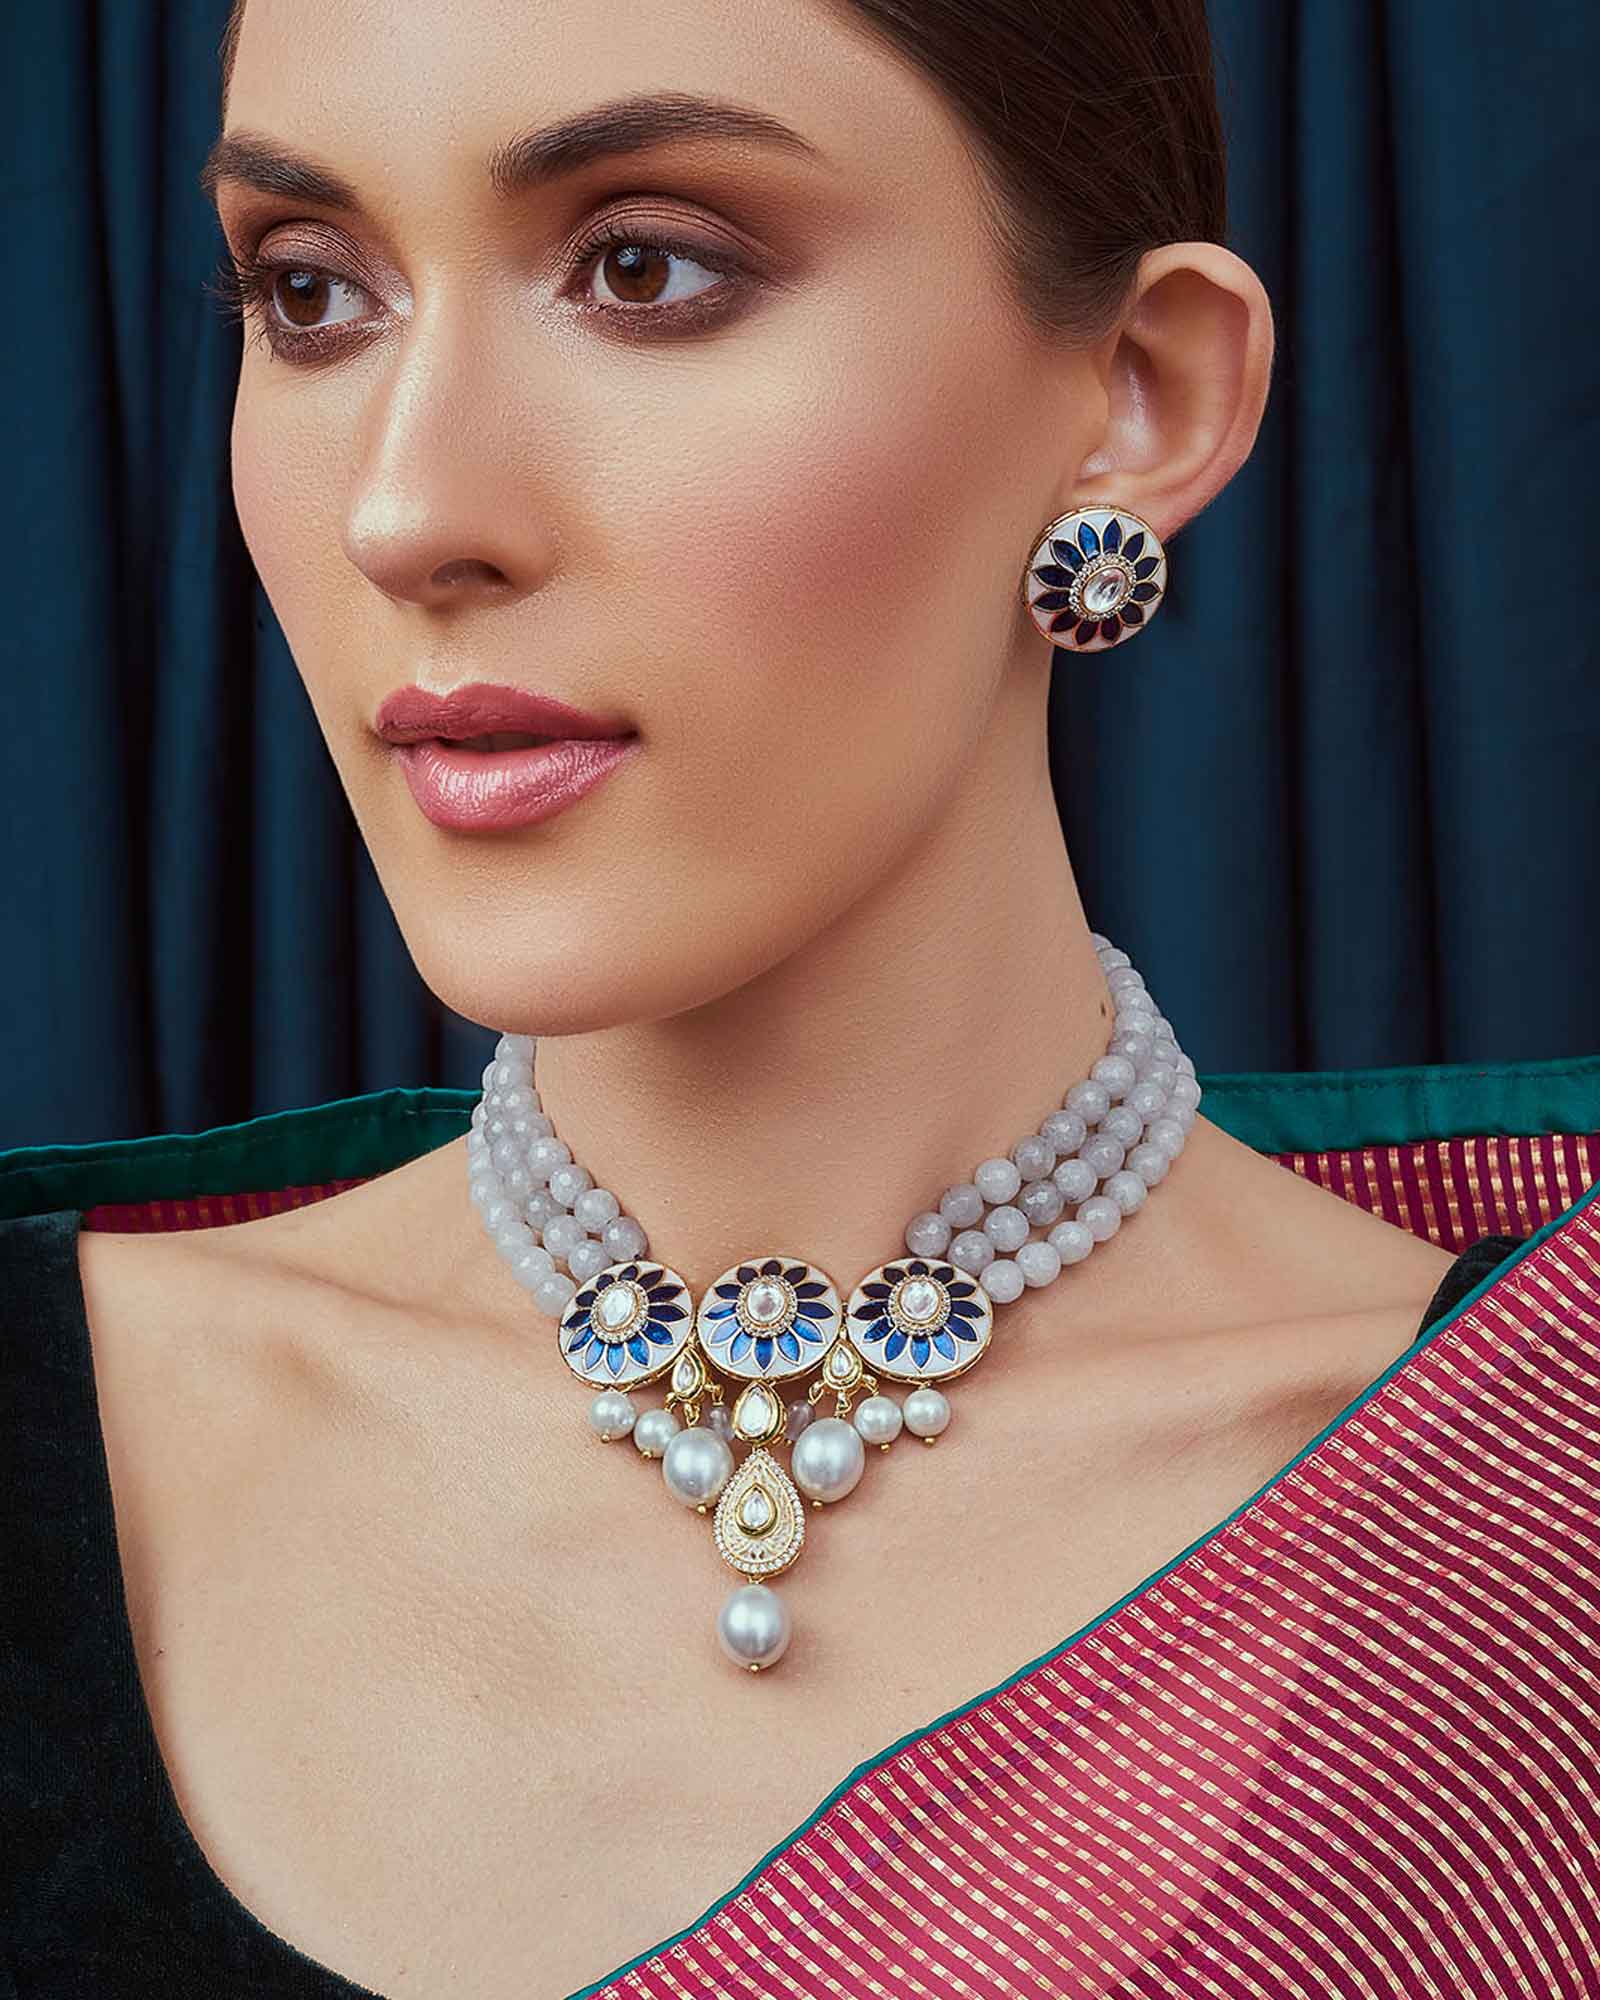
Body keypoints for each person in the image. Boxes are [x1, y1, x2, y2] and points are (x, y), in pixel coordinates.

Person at [2, 0, 1596, 1994]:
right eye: (312, 293)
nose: (404, 514)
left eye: (642, 270)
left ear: (1138, 393)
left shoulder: (1537, 1502)